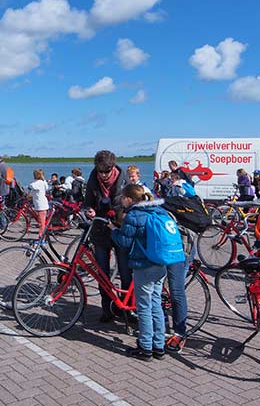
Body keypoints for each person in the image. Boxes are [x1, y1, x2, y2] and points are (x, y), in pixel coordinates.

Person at [110, 184, 168, 361]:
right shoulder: (159, 211)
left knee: (143, 307)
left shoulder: (134, 215)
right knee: (156, 304)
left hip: (144, 265)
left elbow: (124, 242)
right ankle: (159, 346)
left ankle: (145, 347)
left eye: (122, 197)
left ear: (129, 199)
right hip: (161, 263)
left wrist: (113, 231)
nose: (121, 200)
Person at [82, 150, 130, 322]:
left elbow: (132, 204)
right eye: (100, 171)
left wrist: (121, 215)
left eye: (106, 172)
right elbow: (87, 202)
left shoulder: (124, 180)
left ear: (112, 168)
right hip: (100, 231)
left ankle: (127, 309)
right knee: (102, 273)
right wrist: (89, 210)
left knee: (125, 272)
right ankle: (106, 309)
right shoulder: (93, 179)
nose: (103, 175)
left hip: (120, 230)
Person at [28, 169, 49, 241]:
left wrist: (29, 186)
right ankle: (42, 237)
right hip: (41, 204)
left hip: (41, 205)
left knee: (41, 223)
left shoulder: (38, 182)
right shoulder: (43, 182)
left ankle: (41, 238)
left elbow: (31, 186)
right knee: (41, 221)